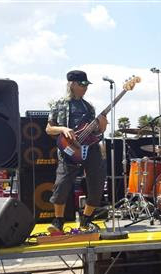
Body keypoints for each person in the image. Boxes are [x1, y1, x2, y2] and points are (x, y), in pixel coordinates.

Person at [45, 70, 107, 233]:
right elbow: (49, 129)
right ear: (72, 84)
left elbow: (97, 133)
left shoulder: (89, 107)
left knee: (97, 182)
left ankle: (86, 219)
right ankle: (58, 221)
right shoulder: (58, 104)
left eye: (87, 84)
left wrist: (102, 125)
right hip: (69, 148)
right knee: (62, 183)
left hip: (90, 147)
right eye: (82, 84)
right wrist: (63, 128)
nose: (85, 88)